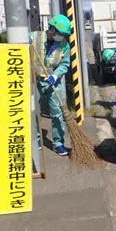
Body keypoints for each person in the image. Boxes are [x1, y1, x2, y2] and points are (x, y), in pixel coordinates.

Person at [31, 14, 71, 156]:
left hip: (53, 81)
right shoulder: (34, 37)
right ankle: (35, 139)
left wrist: (55, 74)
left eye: (64, 35)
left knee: (57, 113)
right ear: (52, 29)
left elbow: (65, 64)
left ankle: (58, 143)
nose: (62, 37)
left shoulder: (64, 45)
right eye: (60, 33)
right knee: (35, 111)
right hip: (35, 81)